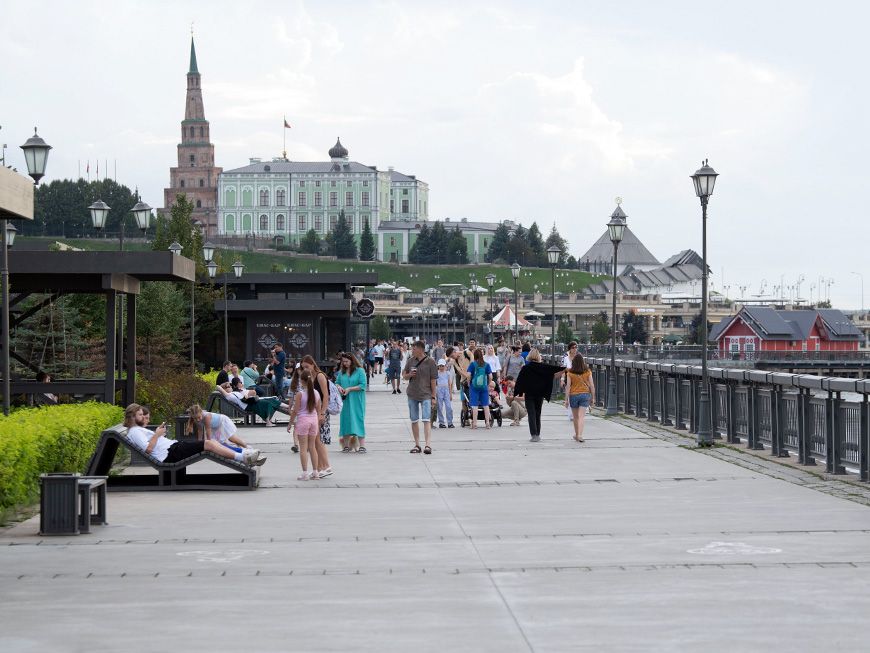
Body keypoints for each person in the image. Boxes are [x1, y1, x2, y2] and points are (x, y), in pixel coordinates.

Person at [124, 403, 265, 466]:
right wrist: (157, 435)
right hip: (170, 453)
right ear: (132, 417)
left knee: (213, 444)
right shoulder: (135, 432)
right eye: (141, 415)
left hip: (172, 448)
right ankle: (243, 457)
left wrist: (158, 434)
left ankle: (245, 455)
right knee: (209, 444)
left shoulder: (137, 430)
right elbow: (147, 449)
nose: (143, 417)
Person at [514, 349, 565, 442]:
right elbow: (552, 374)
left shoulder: (525, 368)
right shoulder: (543, 368)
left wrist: (517, 393)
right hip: (539, 394)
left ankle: (533, 435)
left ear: (529, 356)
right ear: (538, 357)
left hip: (529, 395)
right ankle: (538, 434)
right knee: (538, 414)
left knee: (531, 414)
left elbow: (520, 381)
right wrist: (563, 370)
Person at [299, 355, 333, 477]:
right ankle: (319, 468)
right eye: (303, 368)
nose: (305, 370)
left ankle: (326, 466)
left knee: (319, 441)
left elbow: (326, 396)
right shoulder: (310, 377)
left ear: (313, 364)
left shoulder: (319, 376)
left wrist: (322, 413)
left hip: (321, 412)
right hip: (313, 413)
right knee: (315, 441)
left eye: (307, 367)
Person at [403, 340, 438, 454]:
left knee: (426, 420)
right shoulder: (410, 361)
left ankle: (427, 445)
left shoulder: (430, 362)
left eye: (414, 349)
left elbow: (433, 380)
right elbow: (404, 376)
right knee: (414, 420)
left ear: (420, 350)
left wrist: (433, 396)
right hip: (412, 393)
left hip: (426, 394)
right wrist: (409, 375)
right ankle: (417, 444)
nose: (411, 351)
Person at [289, 369, 322, 480]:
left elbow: (295, 411)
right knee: (312, 447)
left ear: (301, 381)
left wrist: (290, 424)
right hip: (313, 420)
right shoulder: (316, 393)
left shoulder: (300, 394)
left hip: (303, 421)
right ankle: (316, 472)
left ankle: (304, 473)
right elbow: (319, 410)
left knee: (303, 447)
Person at [216, 378, 284, 427]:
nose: (231, 387)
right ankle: (268, 422)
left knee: (270, 400)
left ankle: (287, 406)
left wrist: (245, 395)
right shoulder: (228, 395)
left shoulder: (234, 392)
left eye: (230, 386)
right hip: (247, 406)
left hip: (248, 402)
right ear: (225, 389)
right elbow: (218, 387)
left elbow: (242, 397)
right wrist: (223, 388)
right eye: (228, 386)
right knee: (266, 403)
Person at [336, 351, 367, 453]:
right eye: (343, 361)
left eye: (347, 361)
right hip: (345, 400)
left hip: (356, 400)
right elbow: (337, 383)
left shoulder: (360, 371)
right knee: (345, 420)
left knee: (358, 419)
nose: (345, 363)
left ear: (352, 361)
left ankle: (362, 445)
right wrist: (339, 387)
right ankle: (346, 445)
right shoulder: (342, 372)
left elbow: (363, 385)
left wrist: (350, 389)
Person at [565, 352, 595, 442]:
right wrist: (592, 397)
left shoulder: (570, 372)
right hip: (585, 394)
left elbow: (568, 387)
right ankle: (580, 435)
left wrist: (566, 399)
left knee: (575, 417)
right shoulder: (587, 371)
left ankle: (577, 434)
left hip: (573, 395)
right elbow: (592, 385)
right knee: (581, 416)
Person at [460, 348, 493, 430]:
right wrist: (488, 384)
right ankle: (488, 423)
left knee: (475, 405)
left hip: (474, 387)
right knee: (485, 405)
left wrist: (468, 383)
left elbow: (468, 375)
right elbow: (490, 376)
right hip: (484, 387)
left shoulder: (472, 364)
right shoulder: (486, 365)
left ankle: (474, 424)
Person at [435, 358, 454, 428]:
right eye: (440, 366)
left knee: (448, 407)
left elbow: (449, 383)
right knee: (440, 407)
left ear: (445, 366)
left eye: (442, 366)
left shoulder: (447, 373)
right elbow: (435, 382)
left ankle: (450, 422)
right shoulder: (437, 373)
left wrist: (450, 393)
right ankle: (441, 422)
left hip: (446, 390)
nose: (441, 367)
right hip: (439, 390)